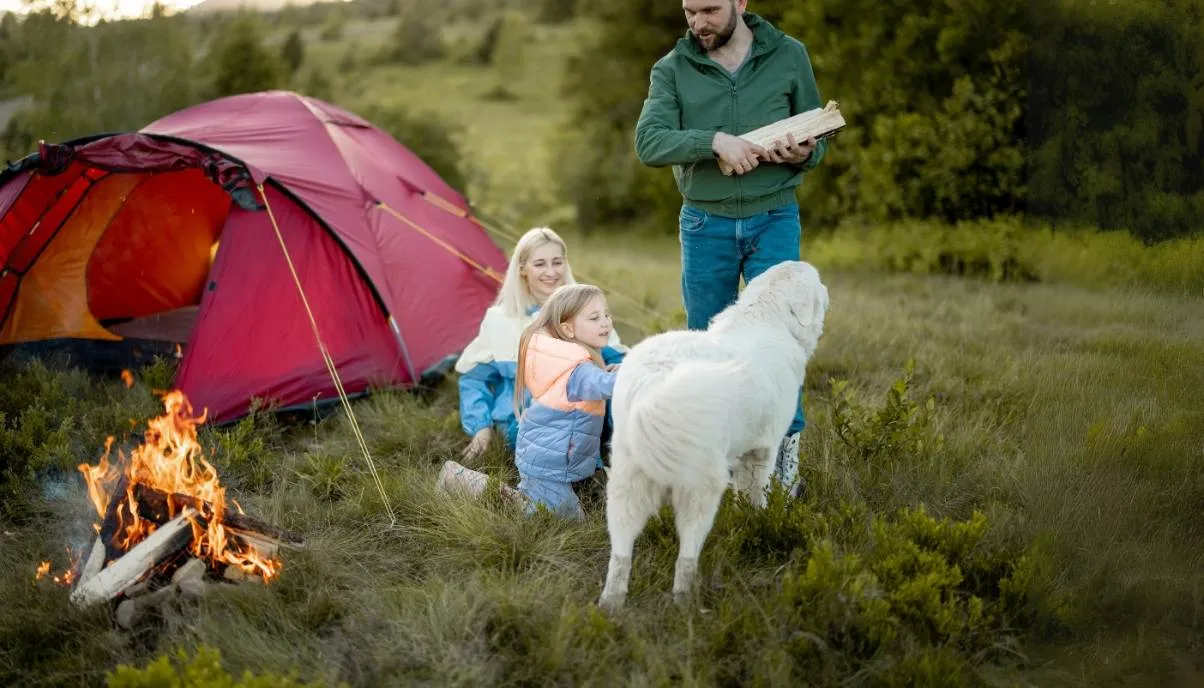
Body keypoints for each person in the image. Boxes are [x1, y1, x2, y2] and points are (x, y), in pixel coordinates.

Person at [632, 0, 826, 496]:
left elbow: (818, 138)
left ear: (741, 2)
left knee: (781, 349)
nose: (698, 23)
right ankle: (716, 469)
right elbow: (649, 142)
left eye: (710, 10)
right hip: (705, 224)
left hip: (775, 215)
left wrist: (805, 151)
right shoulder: (671, 69)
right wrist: (713, 140)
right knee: (708, 348)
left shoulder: (789, 55)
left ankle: (783, 471)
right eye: (689, 11)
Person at [440, 284, 619, 519]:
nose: (606, 322)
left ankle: (574, 487)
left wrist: (612, 372)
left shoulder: (563, 357)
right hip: (550, 466)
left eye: (606, 314)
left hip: (549, 456)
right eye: (595, 318)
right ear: (567, 329)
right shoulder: (578, 369)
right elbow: (608, 385)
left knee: (563, 509)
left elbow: (598, 382)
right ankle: (457, 479)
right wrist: (642, 368)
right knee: (556, 517)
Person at [455, 227, 624, 464]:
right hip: (524, 422)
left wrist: (618, 367)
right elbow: (473, 380)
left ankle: (621, 464)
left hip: (588, 416)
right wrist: (481, 427)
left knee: (627, 398)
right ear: (522, 269)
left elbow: (618, 359)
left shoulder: (586, 312)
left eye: (557, 262)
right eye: (540, 264)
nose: (551, 272)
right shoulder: (499, 320)